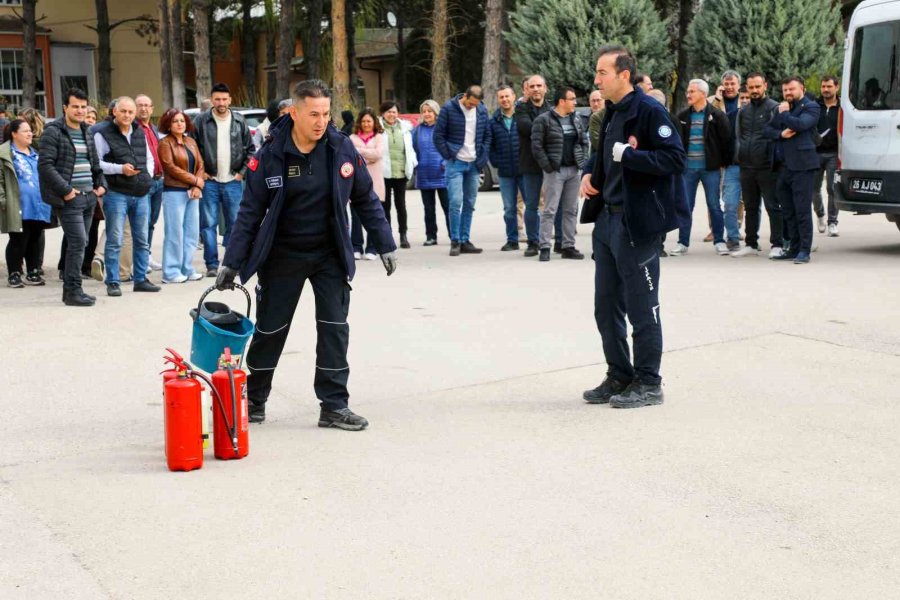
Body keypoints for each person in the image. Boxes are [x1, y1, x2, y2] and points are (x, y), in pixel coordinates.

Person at [215, 79, 398, 429]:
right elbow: (249, 214)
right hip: (283, 255)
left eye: (326, 113)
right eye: (314, 114)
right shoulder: (269, 156)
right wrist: (231, 262)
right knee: (271, 330)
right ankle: (254, 399)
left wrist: (384, 242)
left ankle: (333, 405)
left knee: (334, 328)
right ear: (294, 113)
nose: (321, 121)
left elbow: (364, 199)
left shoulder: (341, 148)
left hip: (329, 253)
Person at [579, 44, 686, 409]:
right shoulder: (610, 112)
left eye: (602, 73)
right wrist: (588, 175)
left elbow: (674, 158)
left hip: (636, 224)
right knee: (606, 306)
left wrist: (632, 156)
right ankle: (620, 374)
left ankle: (648, 382)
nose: (596, 80)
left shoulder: (649, 111)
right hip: (607, 221)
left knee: (643, 307)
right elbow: (601, 154)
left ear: (624, 75)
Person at [38, 88, 107, 306]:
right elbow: (45, 165)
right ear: (65, 108)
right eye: (75, 106)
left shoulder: (87, 130)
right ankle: (72, 291)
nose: (79, 110)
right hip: (69, 198)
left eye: (82, 106)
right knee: (77, 242)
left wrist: (101, 184)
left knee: (81, 242)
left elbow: (95, 163)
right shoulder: (53, 131)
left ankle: (73, 289)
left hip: (89, 196)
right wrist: (66, 190)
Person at [93, 96, 160, 296]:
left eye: (131, 112)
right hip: (116, 193)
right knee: (115, 239)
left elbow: (148, 158)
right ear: (115, 111)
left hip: (140, 192)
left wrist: (146, 178)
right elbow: (97, 163)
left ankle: (140, 279)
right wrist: (120, 169)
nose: (127, 115)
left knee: (142, 239)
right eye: (123, 111)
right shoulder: (102, 133)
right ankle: (113, 281)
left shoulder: (139, 132)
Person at [193, 82, 254, 277]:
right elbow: (192, 148)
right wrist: (200, 172)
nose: (221, 102)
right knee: (208, 224)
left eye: (224, 99)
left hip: (233, 181)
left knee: (235, 223)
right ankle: (211, 264)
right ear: (212, 100)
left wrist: (242, 173)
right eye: (217, 99)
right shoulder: (201, 121)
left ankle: (230, 262)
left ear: (230, 100)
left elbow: (250, 150)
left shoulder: (239, 120)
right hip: (209, 181)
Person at [670, 79, 732, 256]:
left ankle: (719, 241)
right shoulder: (682, 117)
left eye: (692, 92)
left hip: (710, 169)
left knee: (714, 205)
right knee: (686, 206)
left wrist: (722, 163)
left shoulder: (717, 115)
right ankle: (682, 243)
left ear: (703, 94)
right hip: (688, 170)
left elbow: (727, 141)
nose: (688, 94)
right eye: (688, 91)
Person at [766, 76, 821, 264]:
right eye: (785, 90)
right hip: (784, 167)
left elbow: (800, 125)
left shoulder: (811, 107)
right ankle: (793, 247)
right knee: (788, 211)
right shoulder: (783, 108)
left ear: (802, 89)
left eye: (792, 89)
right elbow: (767, 131)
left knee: (802, 209)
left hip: (803, 166)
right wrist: (780, 133)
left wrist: (784, 115)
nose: (788, 93)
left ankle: (805, 250)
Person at [531, 85, 589, 261]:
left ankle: (568, 246)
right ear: (562, 101)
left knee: (571, 210)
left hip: (574, 170)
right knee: (550, 210)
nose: (575, 102)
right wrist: (548, 166)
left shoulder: (576, 119)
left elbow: (584, 142)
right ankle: (545, 247)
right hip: (555, 171)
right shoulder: (544, 120)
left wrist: (583, 161)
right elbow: (536, 146)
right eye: (572, 99)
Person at [730, 72, 784, 259]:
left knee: (773, 206)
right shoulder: (743, 111)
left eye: (757, 87)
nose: (754, 91)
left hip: (767, 167)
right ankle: (751, 243)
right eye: (751, 87)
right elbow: (739, 136)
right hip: (746, 166)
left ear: (765, 86)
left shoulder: (774, 108)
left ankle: (778, 243)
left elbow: (779, 136)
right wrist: (740, 155)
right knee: (750, 207)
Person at [433, 85, 491, 256]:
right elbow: (438, 136)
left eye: (475, 105)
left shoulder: (481, 110)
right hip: (455, 163)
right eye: (470, 103)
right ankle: (455, 240)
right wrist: (449, 154)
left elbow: (487, 135)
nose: (471, 107)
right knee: (455, 202)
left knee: (470, 203)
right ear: (465, 96)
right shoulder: (449, 109)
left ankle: (465, 240)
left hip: (474, 164)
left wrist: (482, 157)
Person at [158, 108, 205, 283]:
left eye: (182, 121)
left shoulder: (191, 141)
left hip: (193, 192)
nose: (179, 124)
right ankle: (170, 272)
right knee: (174, 233)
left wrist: (197, 185)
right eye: (175, 121)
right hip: (174, 192)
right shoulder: (165, 143)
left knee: (192, 233)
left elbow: (200, 164)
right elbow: (170, 167)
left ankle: (187, 268)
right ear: (168, 125)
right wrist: (196, 181)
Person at [3, 120, 51, 287]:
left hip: (39, 203)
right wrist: (3, 200)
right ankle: (14, 273)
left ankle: (33, 271)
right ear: (14, 134)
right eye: (25, 131)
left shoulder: (35, 153)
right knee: (18, 239)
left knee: (35, 238)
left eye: (30, 131)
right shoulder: (7, 154)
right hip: (19, 204)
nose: (30, 134)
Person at [515, 75, 551, 257]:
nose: (536, 89)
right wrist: (547, 128)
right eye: (532, 86)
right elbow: (526, 128)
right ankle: (533, 242)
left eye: (539, 86)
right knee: (531, 205)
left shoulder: (552, 108)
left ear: (545, 88)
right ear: (526, 90)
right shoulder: (520, 109)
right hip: (530, 164)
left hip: (550, 164)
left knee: (552, 205)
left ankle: (558, 241)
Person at [488, 85, 525, 251]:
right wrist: (496, 162)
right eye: (501, 97)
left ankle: (534, 239)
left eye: (507, 96)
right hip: (505, 173)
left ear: (513, 97)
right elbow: (490, 146)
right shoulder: (494, 121)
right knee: (509, 208)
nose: (504, 99)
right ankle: (512, 240)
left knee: (531, 206)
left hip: (525, 170)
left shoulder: (523, 117)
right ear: (498, 99)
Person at [711, 71, 744, 251]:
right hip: (725, 158)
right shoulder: (714, 101)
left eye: (733, 84)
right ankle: (731, 236)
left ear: (739, 85)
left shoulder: (746, 100)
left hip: (748, 160)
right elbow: (710, 117)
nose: (730, 87)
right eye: (727, 84)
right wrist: (716, 99)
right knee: (727, 200)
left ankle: (745, 233)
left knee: (750, 203)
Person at [349, 107, 386, 259]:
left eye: (369, 121)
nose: (366, 124)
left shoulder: (379, 137)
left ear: (374, 122)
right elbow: (351, 156)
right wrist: (367, 154)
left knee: (374, 216)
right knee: (356, 216)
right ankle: (356, 246)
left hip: (375, 181)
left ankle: (372, 248)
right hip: (356, 183)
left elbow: (378, 154)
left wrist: (360, 152)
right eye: (363, 121)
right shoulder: (351, 138)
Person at [379, 101, 417, 248]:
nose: (391, 114)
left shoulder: (405, 129)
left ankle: (403, 235)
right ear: (383, 113)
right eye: (388, 111)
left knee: (401, 206)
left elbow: (410, 149)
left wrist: (412, 164)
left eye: (394, 112)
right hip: (384, 173)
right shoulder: (378, 129)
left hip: (400, 172)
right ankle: (387, 236)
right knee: (385, 206)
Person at [412, 99, 450, 246]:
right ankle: (431, 236)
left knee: (448, 206)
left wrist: (446, 163)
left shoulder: (443, 129)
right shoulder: (417, 130)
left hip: (442, 173)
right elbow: (412, 150)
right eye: (424, 111)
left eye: (430, 111)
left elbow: (450, 147)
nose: (427, 114)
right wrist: (415, 165)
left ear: (436, 112)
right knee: (428, 209)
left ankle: (454, 235)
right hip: (424, 174)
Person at [815, 76, 840, 237]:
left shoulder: (843, 107)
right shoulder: (815, 106)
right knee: (813, 189)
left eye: (829, 86)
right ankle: (820, 214)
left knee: (832, 188)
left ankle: (832, 222)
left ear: (836, 87)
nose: (825, 89)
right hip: (815, 153)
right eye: (823, 86)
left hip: (833, 153)